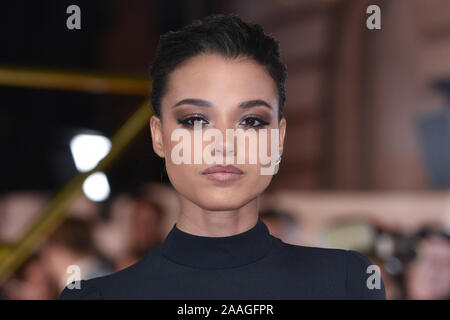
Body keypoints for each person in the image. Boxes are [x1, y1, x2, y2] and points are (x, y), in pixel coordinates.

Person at [59, 14, 386, 299]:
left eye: (251, 121)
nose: (224, 144)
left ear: (279, 137)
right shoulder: (100, 297)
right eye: (195, 120)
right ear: (159, 136)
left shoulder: (346, 282)